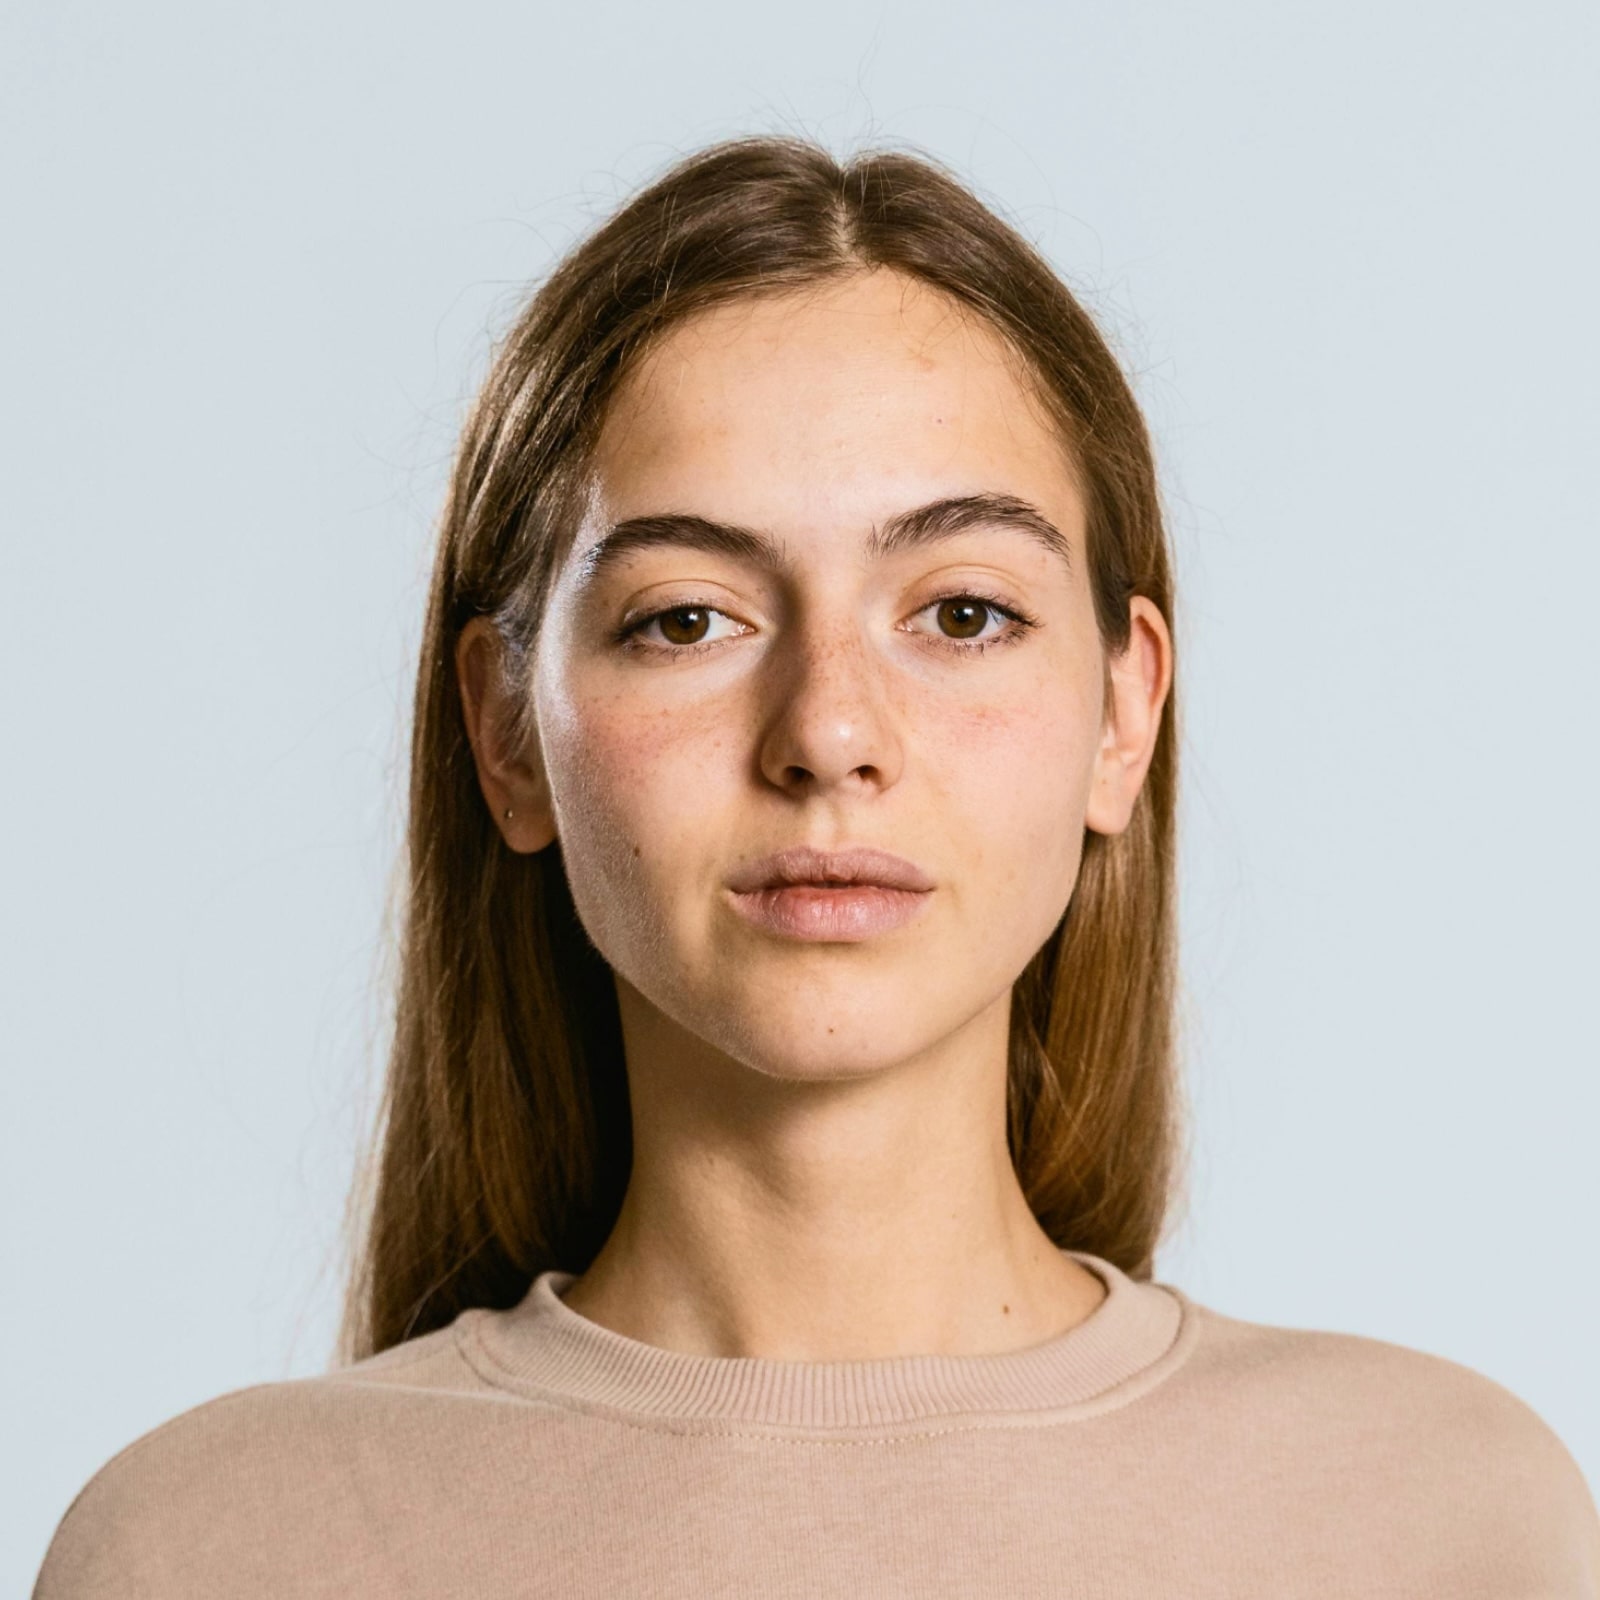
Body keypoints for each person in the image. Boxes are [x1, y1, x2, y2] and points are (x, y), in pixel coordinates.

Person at [33, 135, 1599, 1598]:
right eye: (687, 619)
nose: (830, 732)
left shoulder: (1444, 1521)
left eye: (962, 612)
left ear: (1124, 712)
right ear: (506, 733)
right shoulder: (212, 1548)